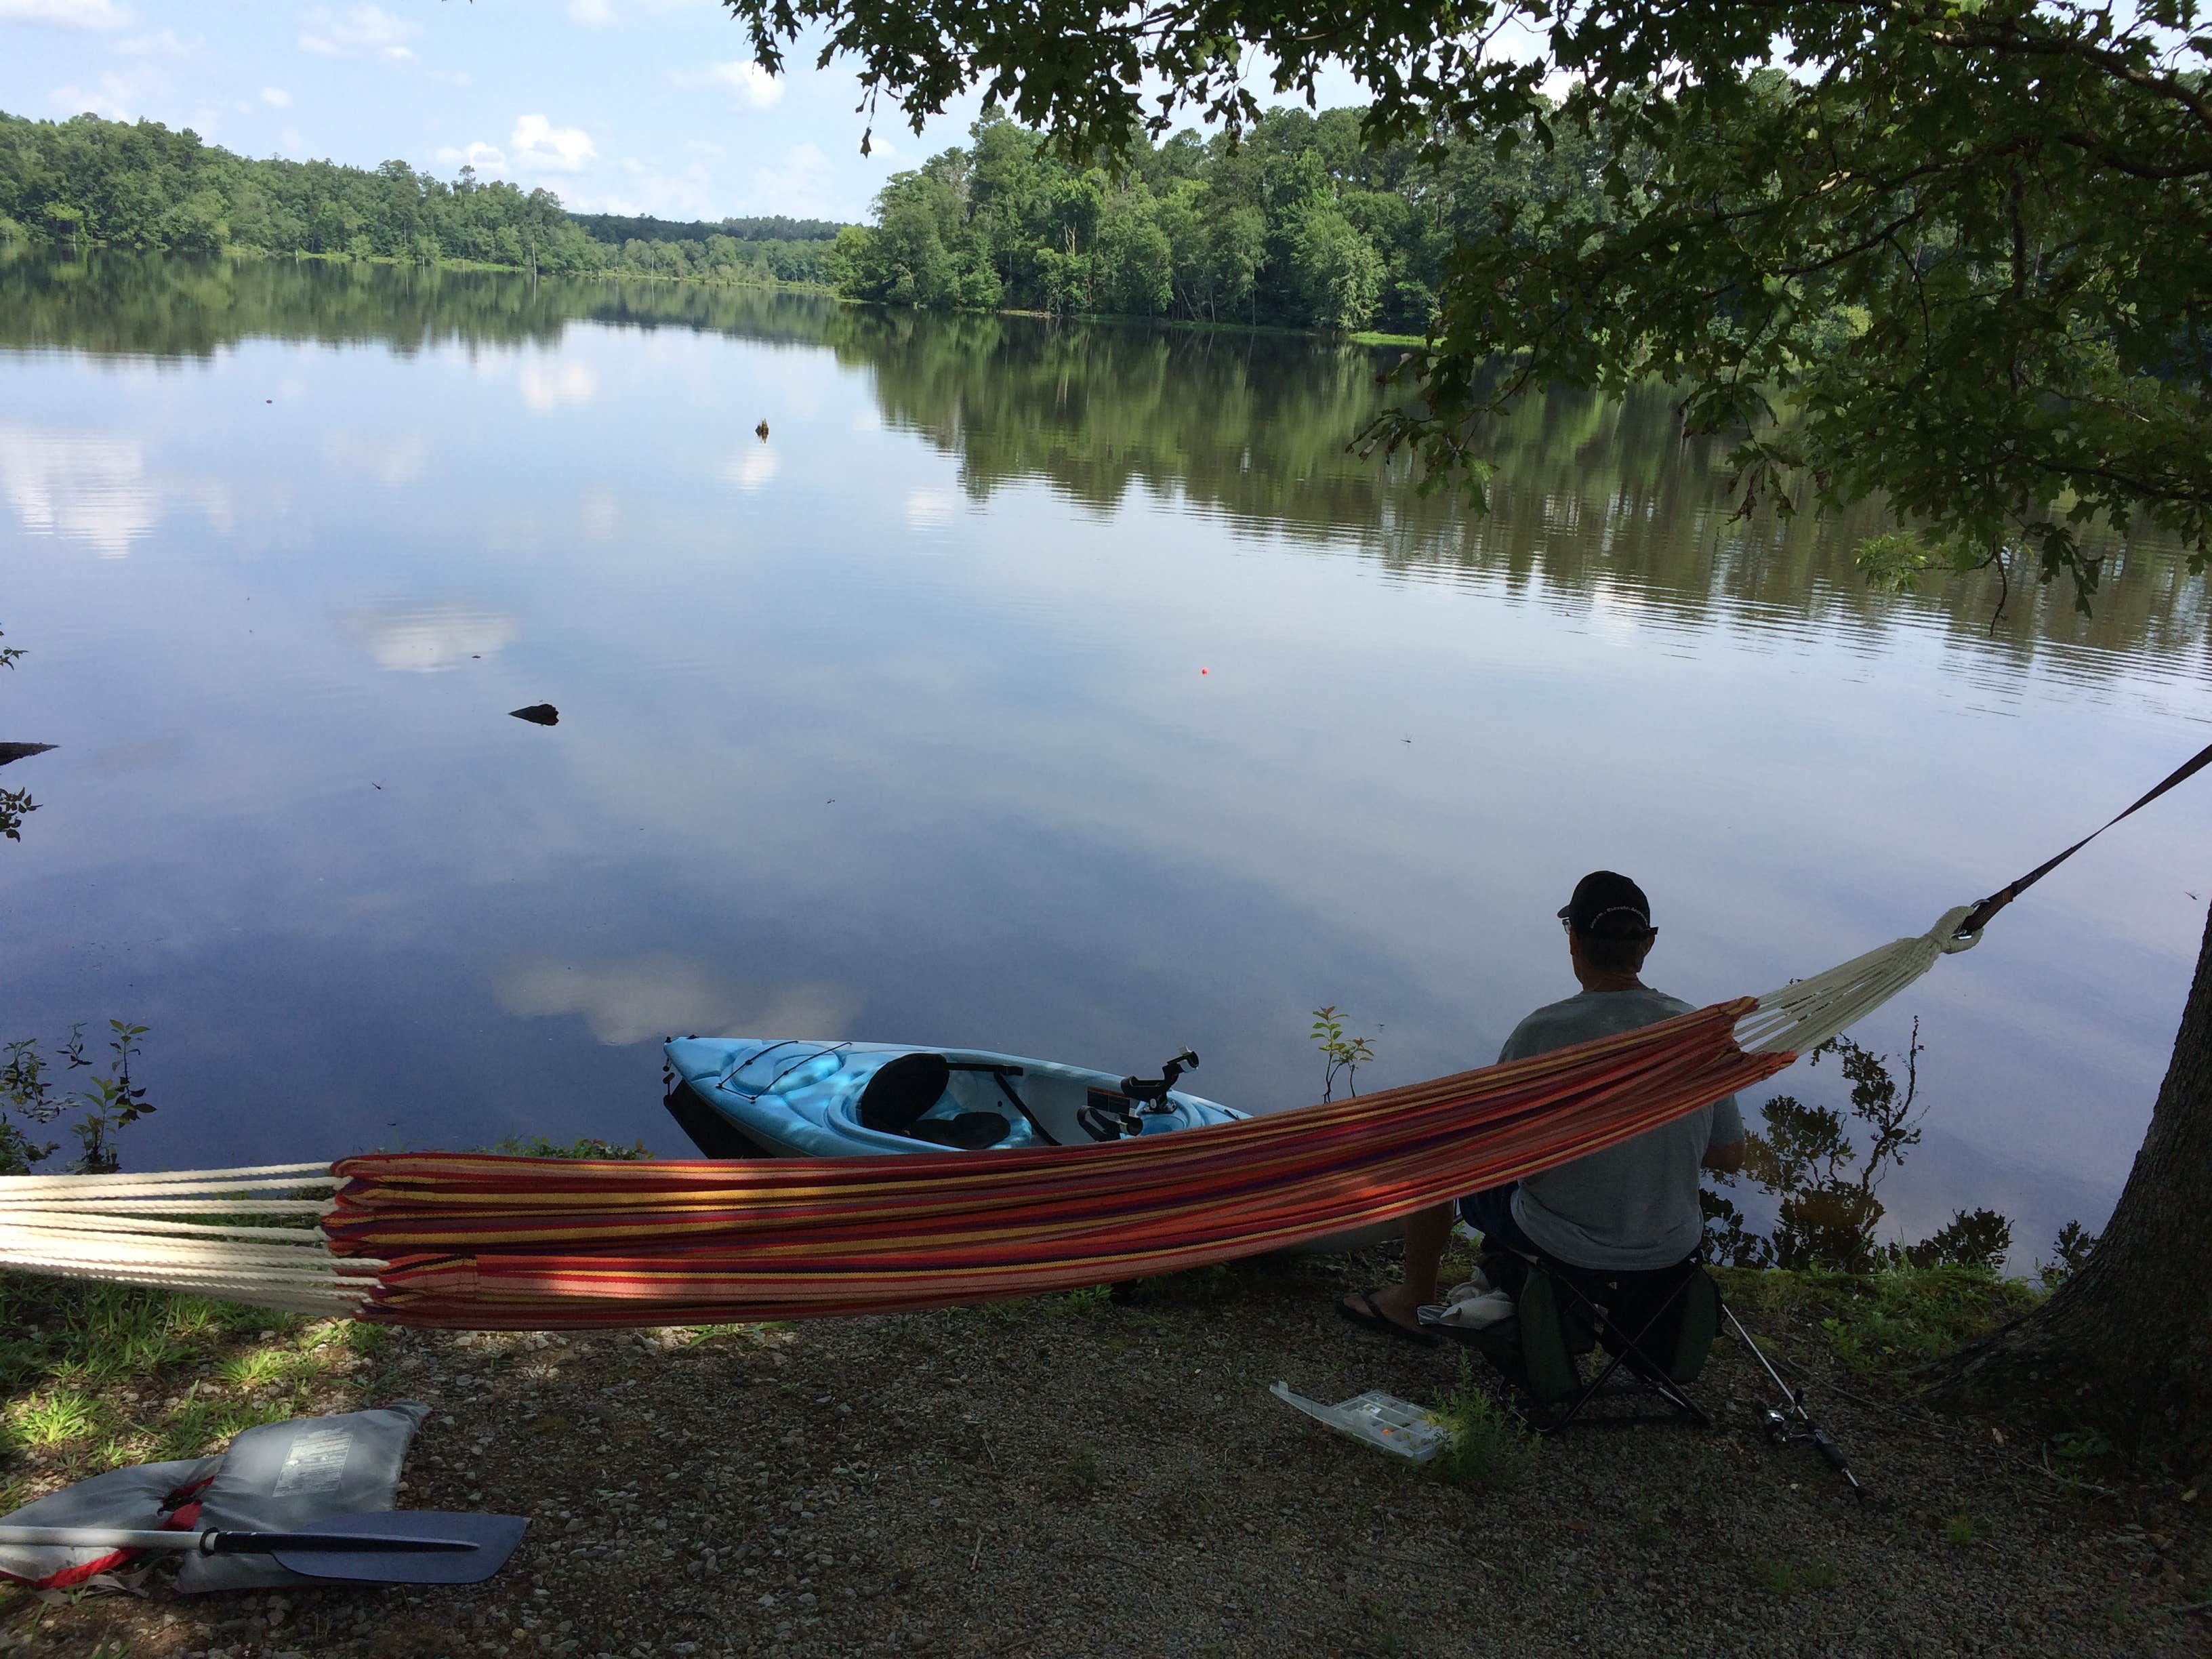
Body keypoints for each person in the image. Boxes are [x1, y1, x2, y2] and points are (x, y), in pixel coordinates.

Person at [1340, 870, 1746, 1343]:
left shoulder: (1543, 1034)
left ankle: (1413, 1301)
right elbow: (1728, 1154)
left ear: (1573, 940)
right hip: (1670, 1250)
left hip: (1562, 1245)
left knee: (1436, 1146)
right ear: (1648, 945)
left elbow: (1496, 1146)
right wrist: (1643, 1136)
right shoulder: (1699, 1033)